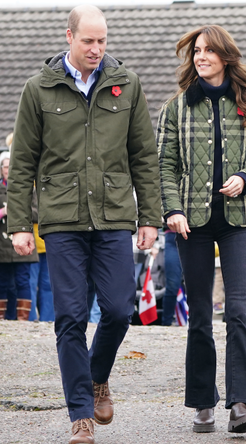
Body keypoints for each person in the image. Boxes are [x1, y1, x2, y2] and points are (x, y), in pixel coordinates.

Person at [7, 5, 162, 444]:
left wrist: (149, 217)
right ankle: (81, 416)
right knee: (70, 317)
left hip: (113, 216)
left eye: (103, 41)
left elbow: (144, 159)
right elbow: (22, 166)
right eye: (88, 41)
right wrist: (21, 222)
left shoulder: (126, 85)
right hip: (61, 220)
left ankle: (98, 378)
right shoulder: (39, 88)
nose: (97, 49)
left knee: (118, 310)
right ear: (69, 36)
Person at [157, 24, 246, 434]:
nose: (200, 57)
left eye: (208, 51)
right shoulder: (176, 108)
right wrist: (171, 208)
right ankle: (203, 403)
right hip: (192, 224)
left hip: (239, 221)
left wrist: (245, 176)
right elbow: (165, 165)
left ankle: (240, 404)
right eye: (196, 51)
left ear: (226, 56)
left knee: (239, 311)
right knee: (201, 315)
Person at [0, 151, 38, 320]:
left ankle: (23, 320)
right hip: (2, 245)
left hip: (21, 241)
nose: (8, 169)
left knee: (23, 281)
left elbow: (39, 213)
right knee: (2, 282)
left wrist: (18, 212)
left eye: (11, 166)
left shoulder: (29, 189)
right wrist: (3, 212)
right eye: (6, 166)